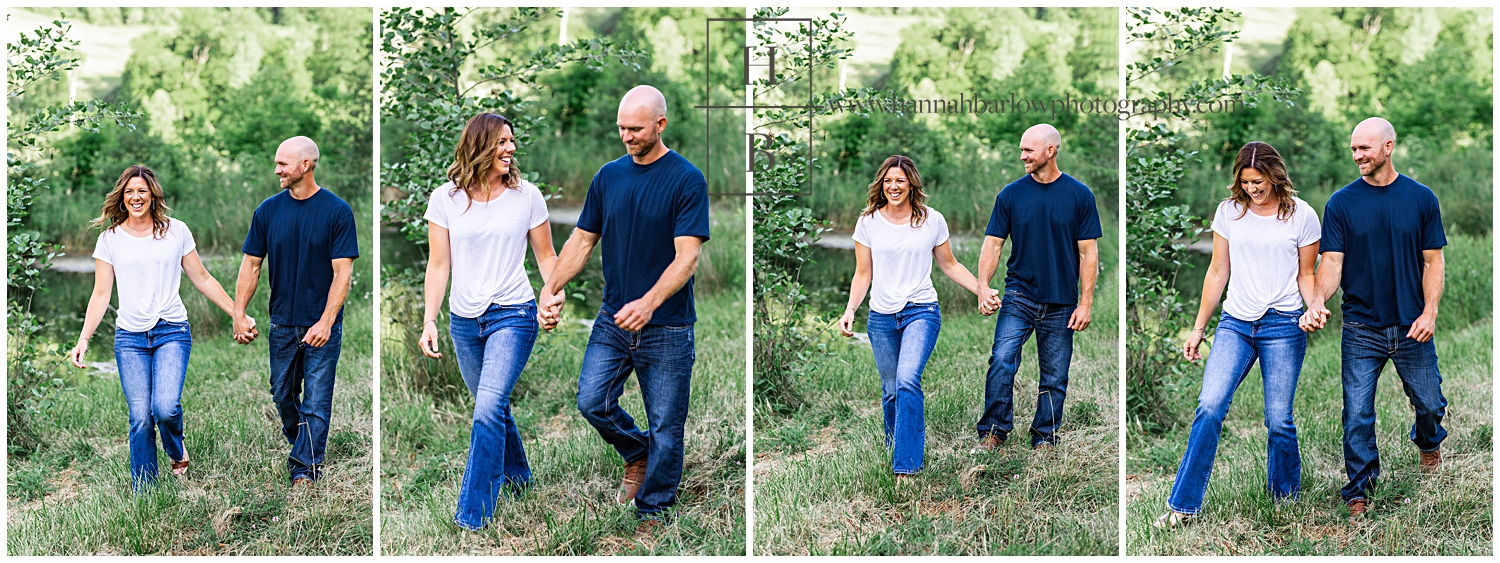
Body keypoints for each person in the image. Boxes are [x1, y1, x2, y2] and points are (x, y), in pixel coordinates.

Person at [538, 85, 709, 527]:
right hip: (613, 320)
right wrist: (551, 287)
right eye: (622, 128)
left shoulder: (686, 179)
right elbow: (581, 241)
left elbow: (687, 256)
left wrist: (650, 303)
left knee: (667, 428)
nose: (627, 137)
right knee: (592, 401)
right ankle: (637, 452)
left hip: (667, 327)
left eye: (635, 129)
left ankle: (654, 510)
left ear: (660, 125)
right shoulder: (608, 176)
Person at [1154, 142, 1320, 528]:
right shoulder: (1229, 212)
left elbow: (1307, 274)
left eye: (1258, 181)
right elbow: (1216, 272)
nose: (1252, 189)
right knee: (1209, 407)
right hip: (1236, 324)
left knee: (1279, 419)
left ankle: (1284, 500)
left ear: (1276, 176)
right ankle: (1183, 507)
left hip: (1284, 324)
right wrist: (1198, 329)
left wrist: (1314, 307)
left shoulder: (1302, 215)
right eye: (1245, 182)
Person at [68, 165, 252, 490]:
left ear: (153, 194)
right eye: (129, 192)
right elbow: (100, 294)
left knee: (164, 408)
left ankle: (176, 448)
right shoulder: (110, 239)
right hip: (130, 338)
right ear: (121, 198)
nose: (135, 197)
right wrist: (84, 338)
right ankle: (146, 493)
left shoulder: (176, 231)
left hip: (171, 330)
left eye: (141, 191)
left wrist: (236, 313)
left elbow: (203, 278)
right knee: (140, 416)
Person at [418, 113, 560, 530]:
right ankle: (519, 477)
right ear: (479, 146)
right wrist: (430, 320)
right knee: (493, 407)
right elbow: (438, 265)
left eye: (512, 141)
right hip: (464, 322)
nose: (510, 149)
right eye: (501, 142)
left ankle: (472, 515)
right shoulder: (445, 198)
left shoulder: (527, 196)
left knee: (486, 409)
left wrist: (555, 294)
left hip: (514, 314)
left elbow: (547, 258)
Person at [1304, 117, 1447, 520]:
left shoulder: (1421, 198)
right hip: (1361, 327)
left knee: (1430, 403)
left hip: (1411, 325)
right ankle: (1359, 491)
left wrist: (1429, 311)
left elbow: (1433, 262)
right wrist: (1316, 300)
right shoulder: (1341, 203)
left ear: (1388, 147)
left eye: (1364, 148)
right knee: (1357, 414)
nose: (1357, 156)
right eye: (1353, 149)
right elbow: (1331, 262)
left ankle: (1429, 443)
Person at [836, 155, 991, 481]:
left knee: (907, 379)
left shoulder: (932, 220)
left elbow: (949, 264)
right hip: (880, 317)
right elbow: (863, 274)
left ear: (911, 185)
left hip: (921, 311)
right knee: (891, 389)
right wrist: (851, 310)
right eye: (888, 181)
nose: (894, 187)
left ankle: (905, 467)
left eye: (900, 181)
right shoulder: (868, 222)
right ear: (882, 184)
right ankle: (896, 445)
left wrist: (981, 289)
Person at [232, 136, 359, 486]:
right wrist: (238, 312)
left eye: (283, 164)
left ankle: (304, 469)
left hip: (322, 322)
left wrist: (326, 322)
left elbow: (342, 273)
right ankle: (304, 441)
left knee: (317, 399)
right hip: (282, 322)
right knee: (282, 394)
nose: (277, 170)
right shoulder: (268, 211)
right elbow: (252, 265)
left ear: (306, 165)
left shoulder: (337, 211)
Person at [974, 124, 1102, 451]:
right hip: (1019, 294)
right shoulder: (1011, 195)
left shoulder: (1079, 195)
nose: (1022, 156)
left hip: (1062, 301)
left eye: (1028, 150)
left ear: (1050, 151)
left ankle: (1044, 437)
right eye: (1021, 149)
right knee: (1002, 359)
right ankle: (993, 431)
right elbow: (993, 244)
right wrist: (982, 287)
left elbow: (1088, 253)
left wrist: (1085, 304)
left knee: (1055, 375)